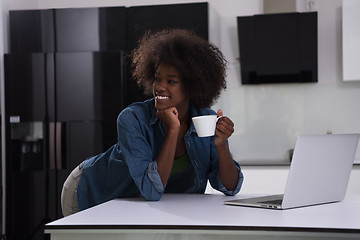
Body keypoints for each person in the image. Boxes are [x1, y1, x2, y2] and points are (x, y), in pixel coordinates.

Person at [61, 29, 244, 217]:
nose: (159, 87)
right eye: (157, 79)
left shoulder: (205, 119)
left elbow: (230, 188)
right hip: (90, 192)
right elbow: (152, 190)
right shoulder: (132, 118)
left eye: (171, 81)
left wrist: (221, 145)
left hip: (146, 208)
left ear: (192, 86)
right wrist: (173, 129)